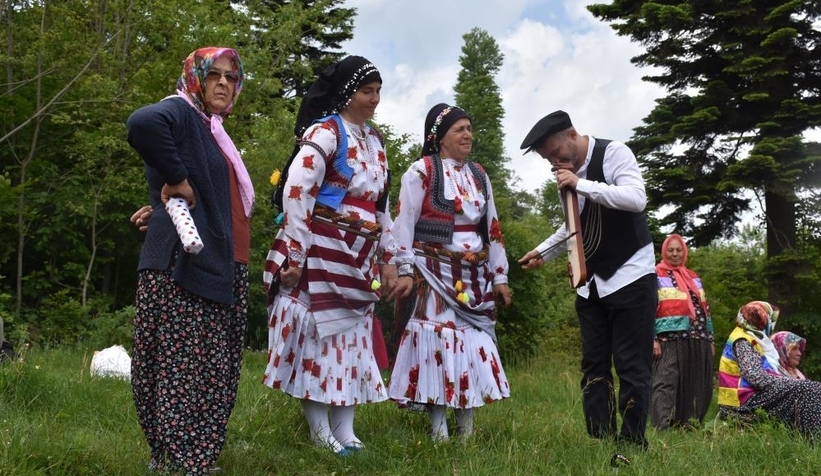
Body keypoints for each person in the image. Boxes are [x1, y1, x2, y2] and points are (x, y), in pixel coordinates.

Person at [126, 47, 253, 475]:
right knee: (182, 365)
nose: (223, 83)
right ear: (195, 78)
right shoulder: (181, 111)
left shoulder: (212, 129)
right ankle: (179, 459)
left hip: (222, 262)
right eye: (213, 74)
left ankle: (190, 457)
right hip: (186, 262)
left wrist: (167, 196)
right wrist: (178, 181)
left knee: (213, 367)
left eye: (231, 77)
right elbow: (142, 124)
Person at [261, 55, 396, 455]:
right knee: (318, 340)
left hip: (360, 255)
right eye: (367, 91)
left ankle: (346, 430)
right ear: (347, 93)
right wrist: (296, 254)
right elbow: (296, 191)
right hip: (321, 249)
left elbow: (382, 206)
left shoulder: (376, 141)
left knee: (352, 340)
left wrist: (390, 259)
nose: (374, 99)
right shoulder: (325, 132)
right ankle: (320, 431)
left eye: (378, 92)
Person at [516, 110, 657, 449]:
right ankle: (600, 440)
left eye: (555, 153)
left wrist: (581, 184)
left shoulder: (614, 153)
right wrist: (543, 252)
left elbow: (636, 198)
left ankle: (632, 444)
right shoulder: (566, 176)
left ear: (572, 135)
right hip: (591, 284)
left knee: (631, 365)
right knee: (593, 363)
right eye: (548, 159)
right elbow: (572, 226)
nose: (554, 162)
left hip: (631, 275)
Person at [387, 103, 512, 441]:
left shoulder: (479, 175)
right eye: (460, 129)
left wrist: (500, 276)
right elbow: (404, 223)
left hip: (474, 277)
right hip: (433, 274)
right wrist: (404, 268)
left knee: (471, 344)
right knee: (437, 346)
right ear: (440, 137)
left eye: (469, 128)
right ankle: (438, 430)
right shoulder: (421, 172)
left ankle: (466, 430)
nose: (468, 134)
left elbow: (492, 227)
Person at [718, 301, 821, 438]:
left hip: (747, 397)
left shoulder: (752, 338)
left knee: (809, 388)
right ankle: (813, 440)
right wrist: (788, 382)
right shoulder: (743, 340)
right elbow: (755, 377)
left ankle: (808, 438)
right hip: (740, 402)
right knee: (810, 389)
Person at [650, 233, 714, 430]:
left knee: (697, 383)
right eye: (671, 250)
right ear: (664, 252)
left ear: (684, 252)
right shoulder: (655, 275)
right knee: (665, 381)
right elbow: (647, 308)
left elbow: (705, 308)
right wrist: (652, 338)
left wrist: (710, 339)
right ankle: (662, 427)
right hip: (668, 337)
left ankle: (689, 426)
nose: (675, 254)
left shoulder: (693, 277)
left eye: (679, 250)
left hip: (698, 336)